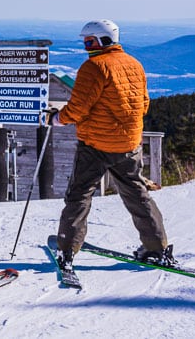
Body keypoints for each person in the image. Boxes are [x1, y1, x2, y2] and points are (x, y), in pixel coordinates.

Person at [47, 19, 172, 273]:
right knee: (136, 194)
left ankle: (67, 250)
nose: (85, 46)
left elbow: (78, 109)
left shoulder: (94, 67)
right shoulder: (135, 64)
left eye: (89, 41)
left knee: (79, 195)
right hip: (128, 143)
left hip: (95, 144)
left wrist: (57, 119)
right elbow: (144, 104)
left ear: (103, 41)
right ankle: (156, 248)